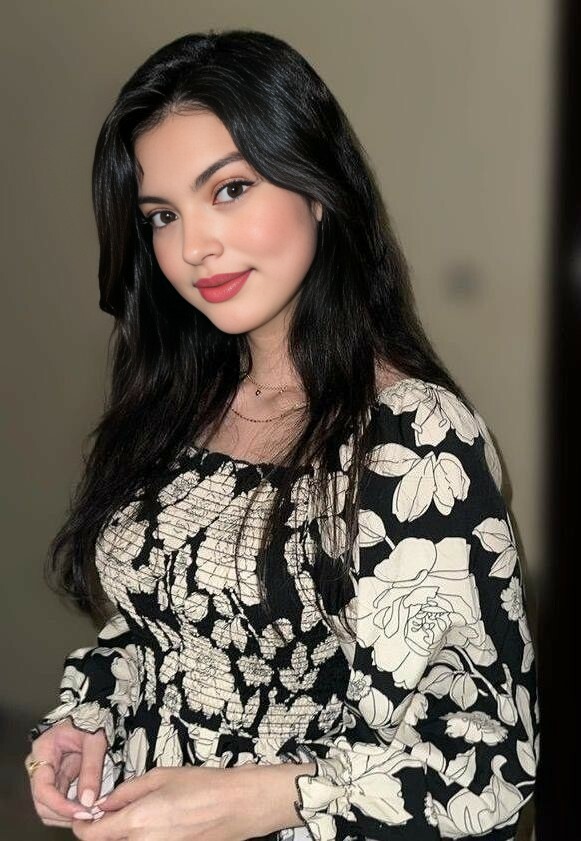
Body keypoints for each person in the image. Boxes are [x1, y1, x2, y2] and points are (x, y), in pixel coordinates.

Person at [25, 28, 538, 841]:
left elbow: (482, 760)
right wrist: (88, 717)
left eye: (229, 189)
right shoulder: (179, 400)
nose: (193, 247)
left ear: (317, 187)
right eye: (161, 215)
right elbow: (163, 629)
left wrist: (266, 796)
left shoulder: (412, 436)